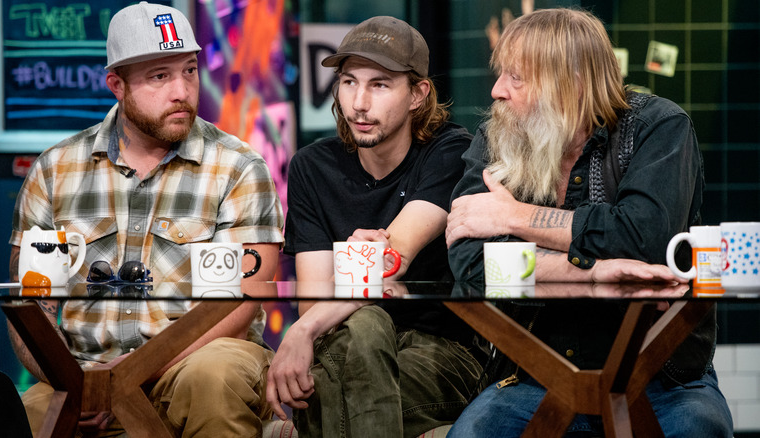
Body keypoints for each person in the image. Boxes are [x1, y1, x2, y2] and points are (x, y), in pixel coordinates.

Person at [445, 8, 732, 437]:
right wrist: (594, 270)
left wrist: (514, 217)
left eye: (516, 78)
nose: (497, 90)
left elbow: (643, 238)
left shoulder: (659, 127)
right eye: (501, 74)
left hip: (662, 380)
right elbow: (470, 261)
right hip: (536, 376)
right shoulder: (500, 135)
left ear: (572, 83)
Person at [7, 2, 284, 437]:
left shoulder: (239, 167)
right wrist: (71, 382)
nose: (182, 90)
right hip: (84, 372)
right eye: (160, 76)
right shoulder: (54, 170)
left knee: (212, 379)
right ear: (116, 85)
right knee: (22, 412)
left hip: (197, 360)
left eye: (189, 70)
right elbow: (30, 307)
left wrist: (134, 372)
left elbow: (244, 299)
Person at [266, 16, 485, 438]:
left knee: (358, 340)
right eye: (349, 82)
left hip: (440, 351)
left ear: (418, 94)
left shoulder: (450, 151)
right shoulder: (312, 167)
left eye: (379, 85)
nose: (359, 103)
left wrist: (301, 331)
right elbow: (314, 301)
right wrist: (315, 318)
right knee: (362, 328)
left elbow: (391, 260)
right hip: (344, 345)